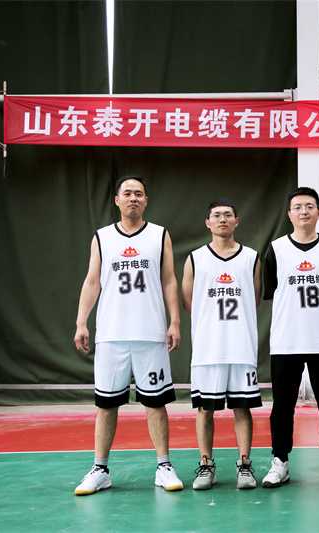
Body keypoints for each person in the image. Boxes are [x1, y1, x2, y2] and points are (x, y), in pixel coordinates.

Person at [73, 175, 183, 495]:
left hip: (150, 333)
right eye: (127, 193)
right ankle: (100, 469)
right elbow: (92, 281)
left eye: (139, 193)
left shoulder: (160, 234)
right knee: (106, 405)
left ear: (146, 200)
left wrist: (175, 321)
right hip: (112, 333)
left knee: (156, 403)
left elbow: (169, 280)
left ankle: (164, 466)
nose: (133, 198)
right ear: (117, 200)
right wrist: (81, 322)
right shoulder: (102, 237)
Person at [261, 187, 319, 488]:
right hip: (286, 340)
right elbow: (273, 294)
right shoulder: (276, 249)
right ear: (289, 214)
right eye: (298, 206)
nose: (304, 211)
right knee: (282, 406)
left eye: (310, 206)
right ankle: (280, 462)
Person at [181, 199, 262, 490]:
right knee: (205, 409)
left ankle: (245, 465)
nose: (222, 219)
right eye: (216, 215)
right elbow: (189, 301)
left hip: (241, 346)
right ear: (208, 223)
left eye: (228, 215)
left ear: (237, 222)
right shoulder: (195, 258)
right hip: (208, 348)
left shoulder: (251, 257)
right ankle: (206, 466)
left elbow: (253, 299)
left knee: (242, 408)